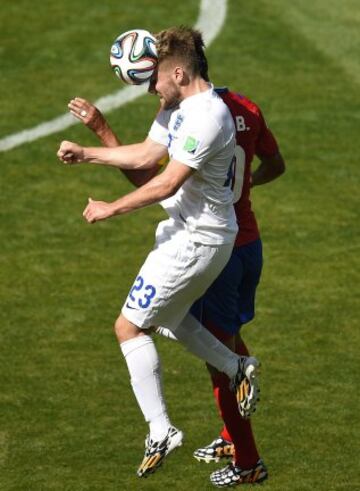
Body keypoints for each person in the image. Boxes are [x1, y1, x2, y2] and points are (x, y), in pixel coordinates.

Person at [57, 26, 260, 480]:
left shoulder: (207, 117)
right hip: (189, 231)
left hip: (199, 239)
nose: (152, 89)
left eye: (155, 81)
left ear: (180, 73)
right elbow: (147, 154)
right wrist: (89, 151)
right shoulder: (180, 107)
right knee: (167, 320)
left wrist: (111, 208)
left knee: (129, 327)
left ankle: (161, 428)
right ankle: (237, 366)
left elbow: (166, 182)